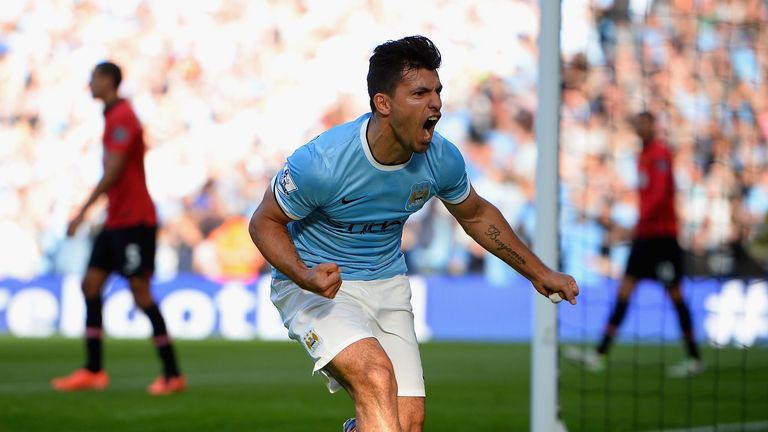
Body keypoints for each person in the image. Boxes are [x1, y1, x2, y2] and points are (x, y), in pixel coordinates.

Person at [248, 36, 579, 432]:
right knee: (375, 376)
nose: (435, 103)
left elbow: (475, 215)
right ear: (383, 103)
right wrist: (303, 275)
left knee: (406, 424)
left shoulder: (441, 158)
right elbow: (263, 222)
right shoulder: (323, 162)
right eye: (420, 92)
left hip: (386, 282)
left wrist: (540, 272)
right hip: (317, 284)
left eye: (437, 91)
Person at [51, 62, 185, 395]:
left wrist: (81, 213)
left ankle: (172, 374)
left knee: (141, 293)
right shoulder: (112, 116)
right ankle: (93, 370)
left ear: (108, 81)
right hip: (116, 220)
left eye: (94, 77)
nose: (89, 82)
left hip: (134, 220)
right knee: (91, 285)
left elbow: (113, 171)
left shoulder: (123, 116)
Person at [566, 111, 703, 377]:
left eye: (646, 124)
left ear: (654, 126)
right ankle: (599, 354)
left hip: (662, 238)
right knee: (624, 292)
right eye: (638, 125)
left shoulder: (660, 154)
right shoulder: (641, 157)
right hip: (645, 238)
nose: (642, 129)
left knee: (675, 296)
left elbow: (661, 196)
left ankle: (695, 358)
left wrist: (634, 225)